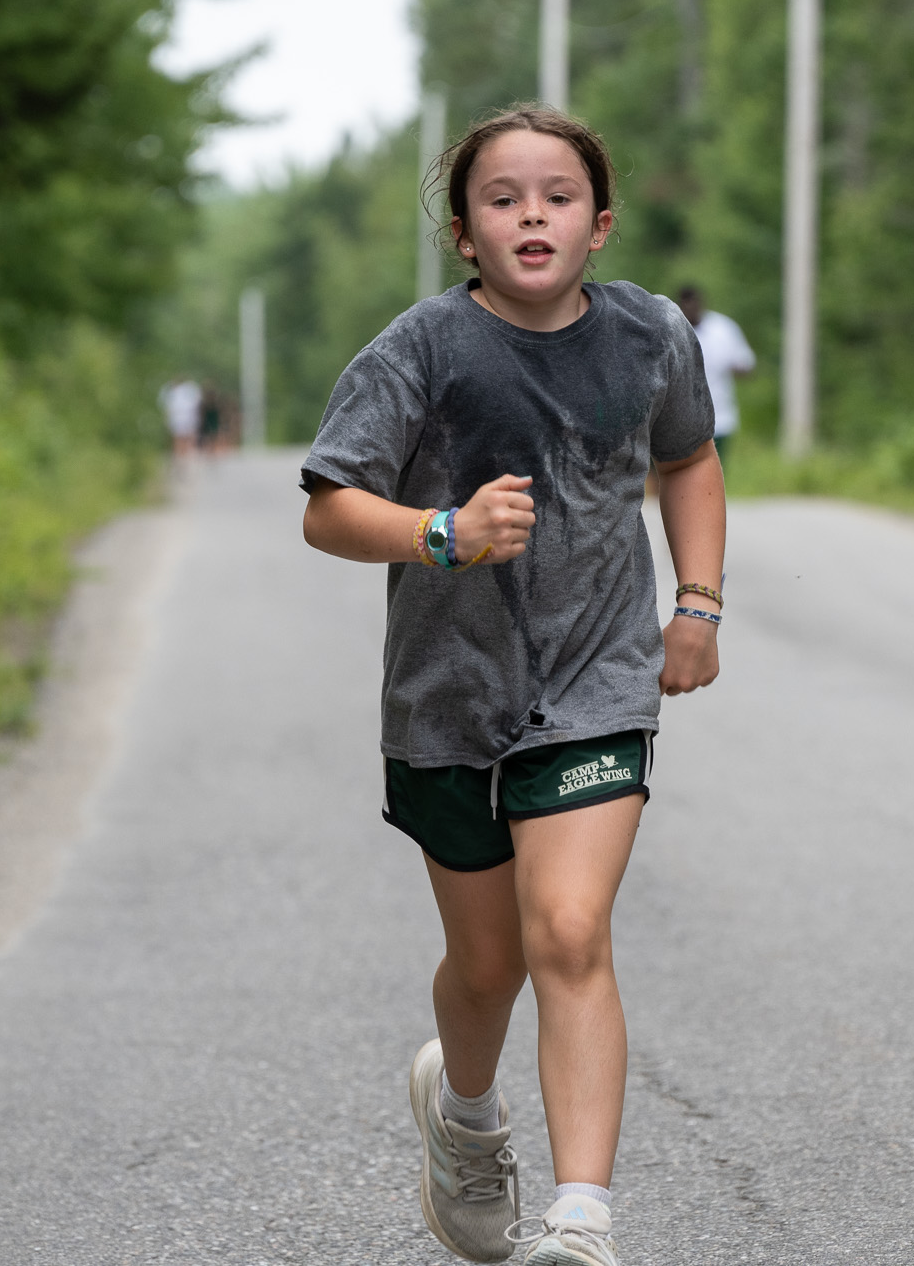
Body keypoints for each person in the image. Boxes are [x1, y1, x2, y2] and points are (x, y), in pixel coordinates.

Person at [299, 106, 726, 1266]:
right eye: (502, 198)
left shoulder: (649, 336)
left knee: (569, 933)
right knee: (486, 968)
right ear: (463, 233)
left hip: (596, 684)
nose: (531, 214)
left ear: (599, 225)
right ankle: (465, 1118)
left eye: (557, 196)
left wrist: (695, 604)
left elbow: (688, 456)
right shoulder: (419, 351)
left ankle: (581, 1221)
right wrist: (440, 532)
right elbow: (328, 510)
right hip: (447, 699)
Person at [675, 285, 755, 465]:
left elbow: (746, 364)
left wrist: (732, 365)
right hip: (680, 418)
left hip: (719, 415)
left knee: (714, 467)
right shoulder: (672, 329)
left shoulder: (722, 329)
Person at [159, 375, 202, 462]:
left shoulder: (188, 389)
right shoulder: (171, 391)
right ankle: (180, 455)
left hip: (187, 417)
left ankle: (188, 453)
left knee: (188, 436)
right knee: (178, 437)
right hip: (177, 417)